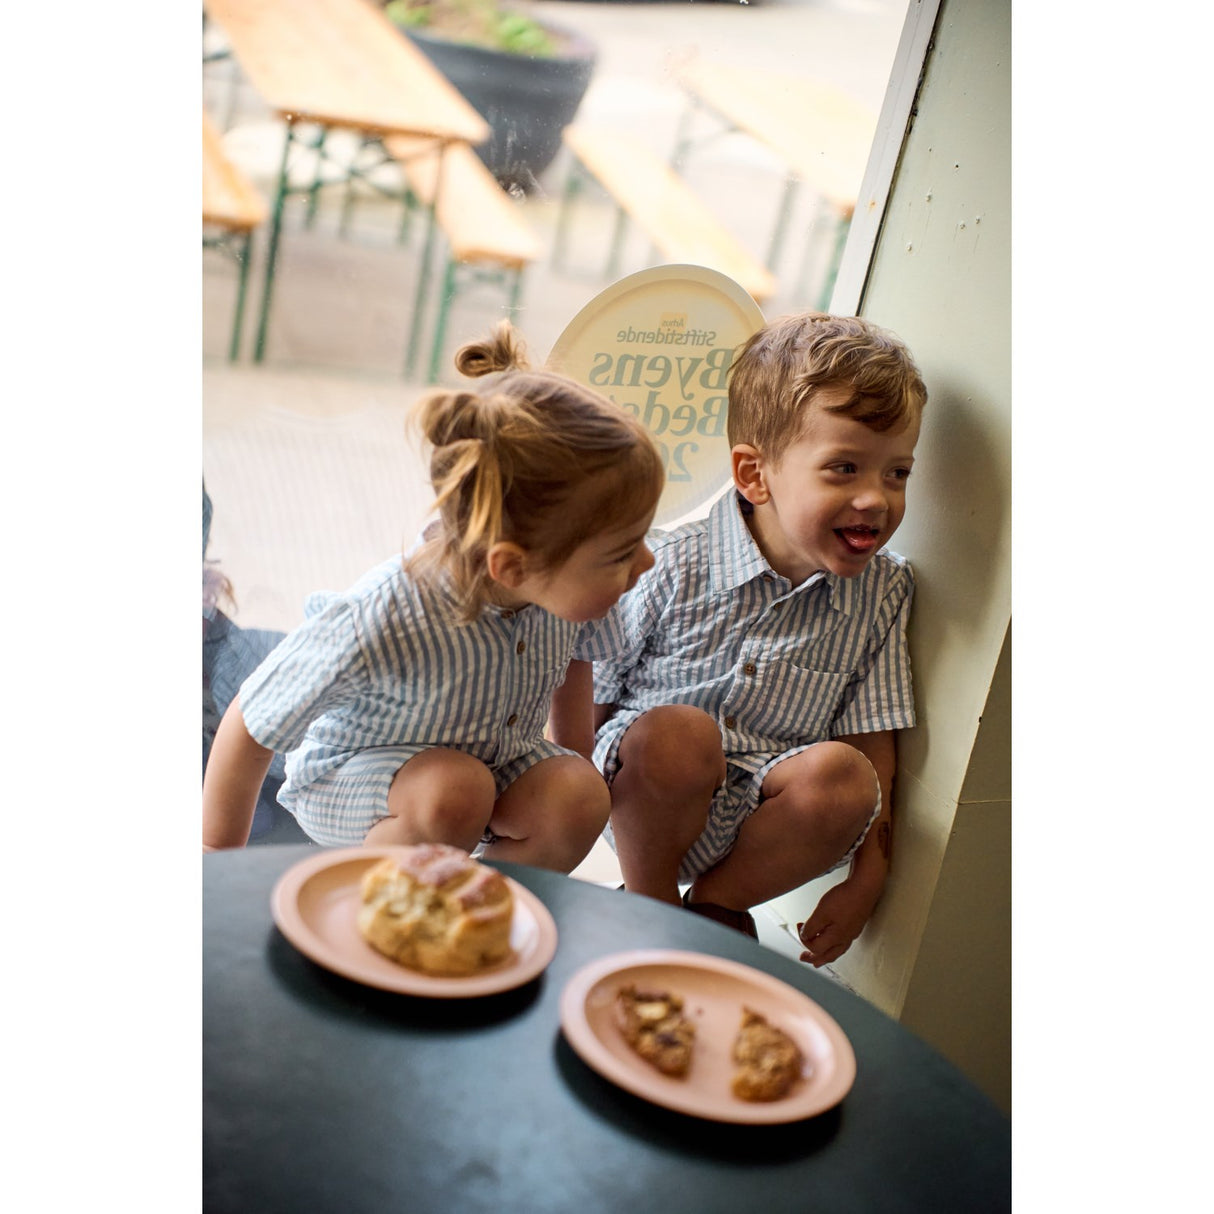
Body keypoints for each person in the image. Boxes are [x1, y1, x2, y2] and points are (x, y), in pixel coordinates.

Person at [203, 321, 665, 871]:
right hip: (358, 777)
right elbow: (252, 716)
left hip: (492, 762)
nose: (647, 562)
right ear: (511, 565)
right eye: (622, 552)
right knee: (456, 790)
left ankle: (479, 905)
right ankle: (379, 903)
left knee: (579, 794)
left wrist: (573, 761)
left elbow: (576, 661)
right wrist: (215, 860)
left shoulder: (565, 591)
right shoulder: (386, 611)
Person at [558, 312, 926, 966]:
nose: (876, 499)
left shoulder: (884, 592)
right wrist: (561, 813)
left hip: (762, 815)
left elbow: (876, 744)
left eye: (897, 474)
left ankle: (715, 908)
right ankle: (649, 905)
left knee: (849, 776)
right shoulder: (671, 564)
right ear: (755, 476)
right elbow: (592, 702)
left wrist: (868, 878)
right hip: (647, 795)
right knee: (679, 734)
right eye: (844, 468)